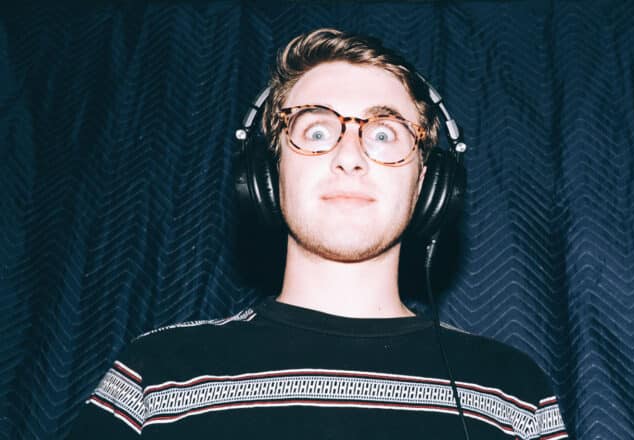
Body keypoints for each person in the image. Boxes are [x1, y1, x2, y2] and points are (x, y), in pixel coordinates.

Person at [67, 28, 569, 439]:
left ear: (427, 182)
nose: (349, 157)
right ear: (269, 173)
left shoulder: (512, 392)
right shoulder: (155, 376)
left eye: (383, 134)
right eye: (317, 131)